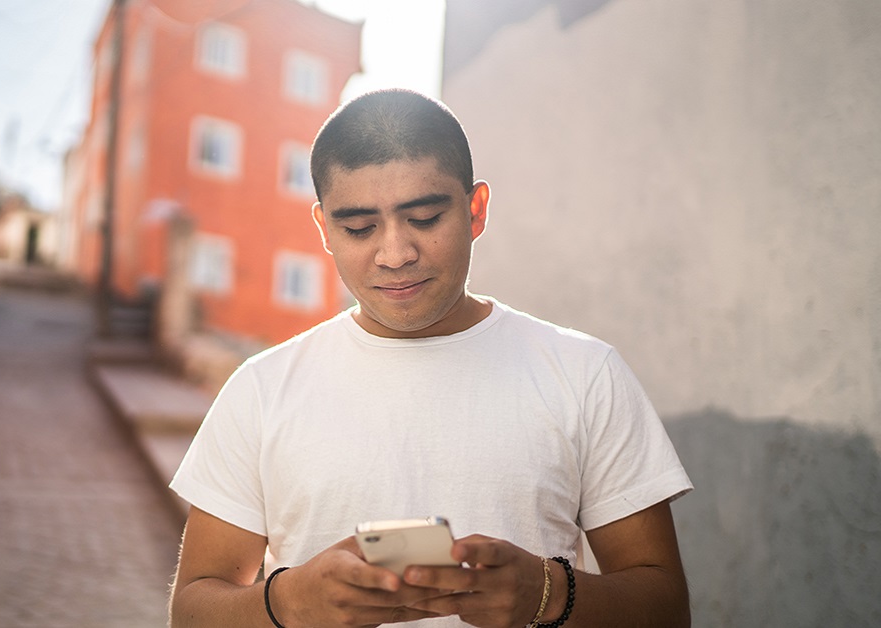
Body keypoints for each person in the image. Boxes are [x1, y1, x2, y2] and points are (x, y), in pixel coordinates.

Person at [168, 88, 693, 627]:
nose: (395, 254)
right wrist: (291, 602)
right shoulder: (261, 389)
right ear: (324, 229)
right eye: (359, 228)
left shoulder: (586, 375)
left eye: (423, 217)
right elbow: (190, 613)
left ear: (476, 210)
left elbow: (668, 610)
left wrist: (549, 594)